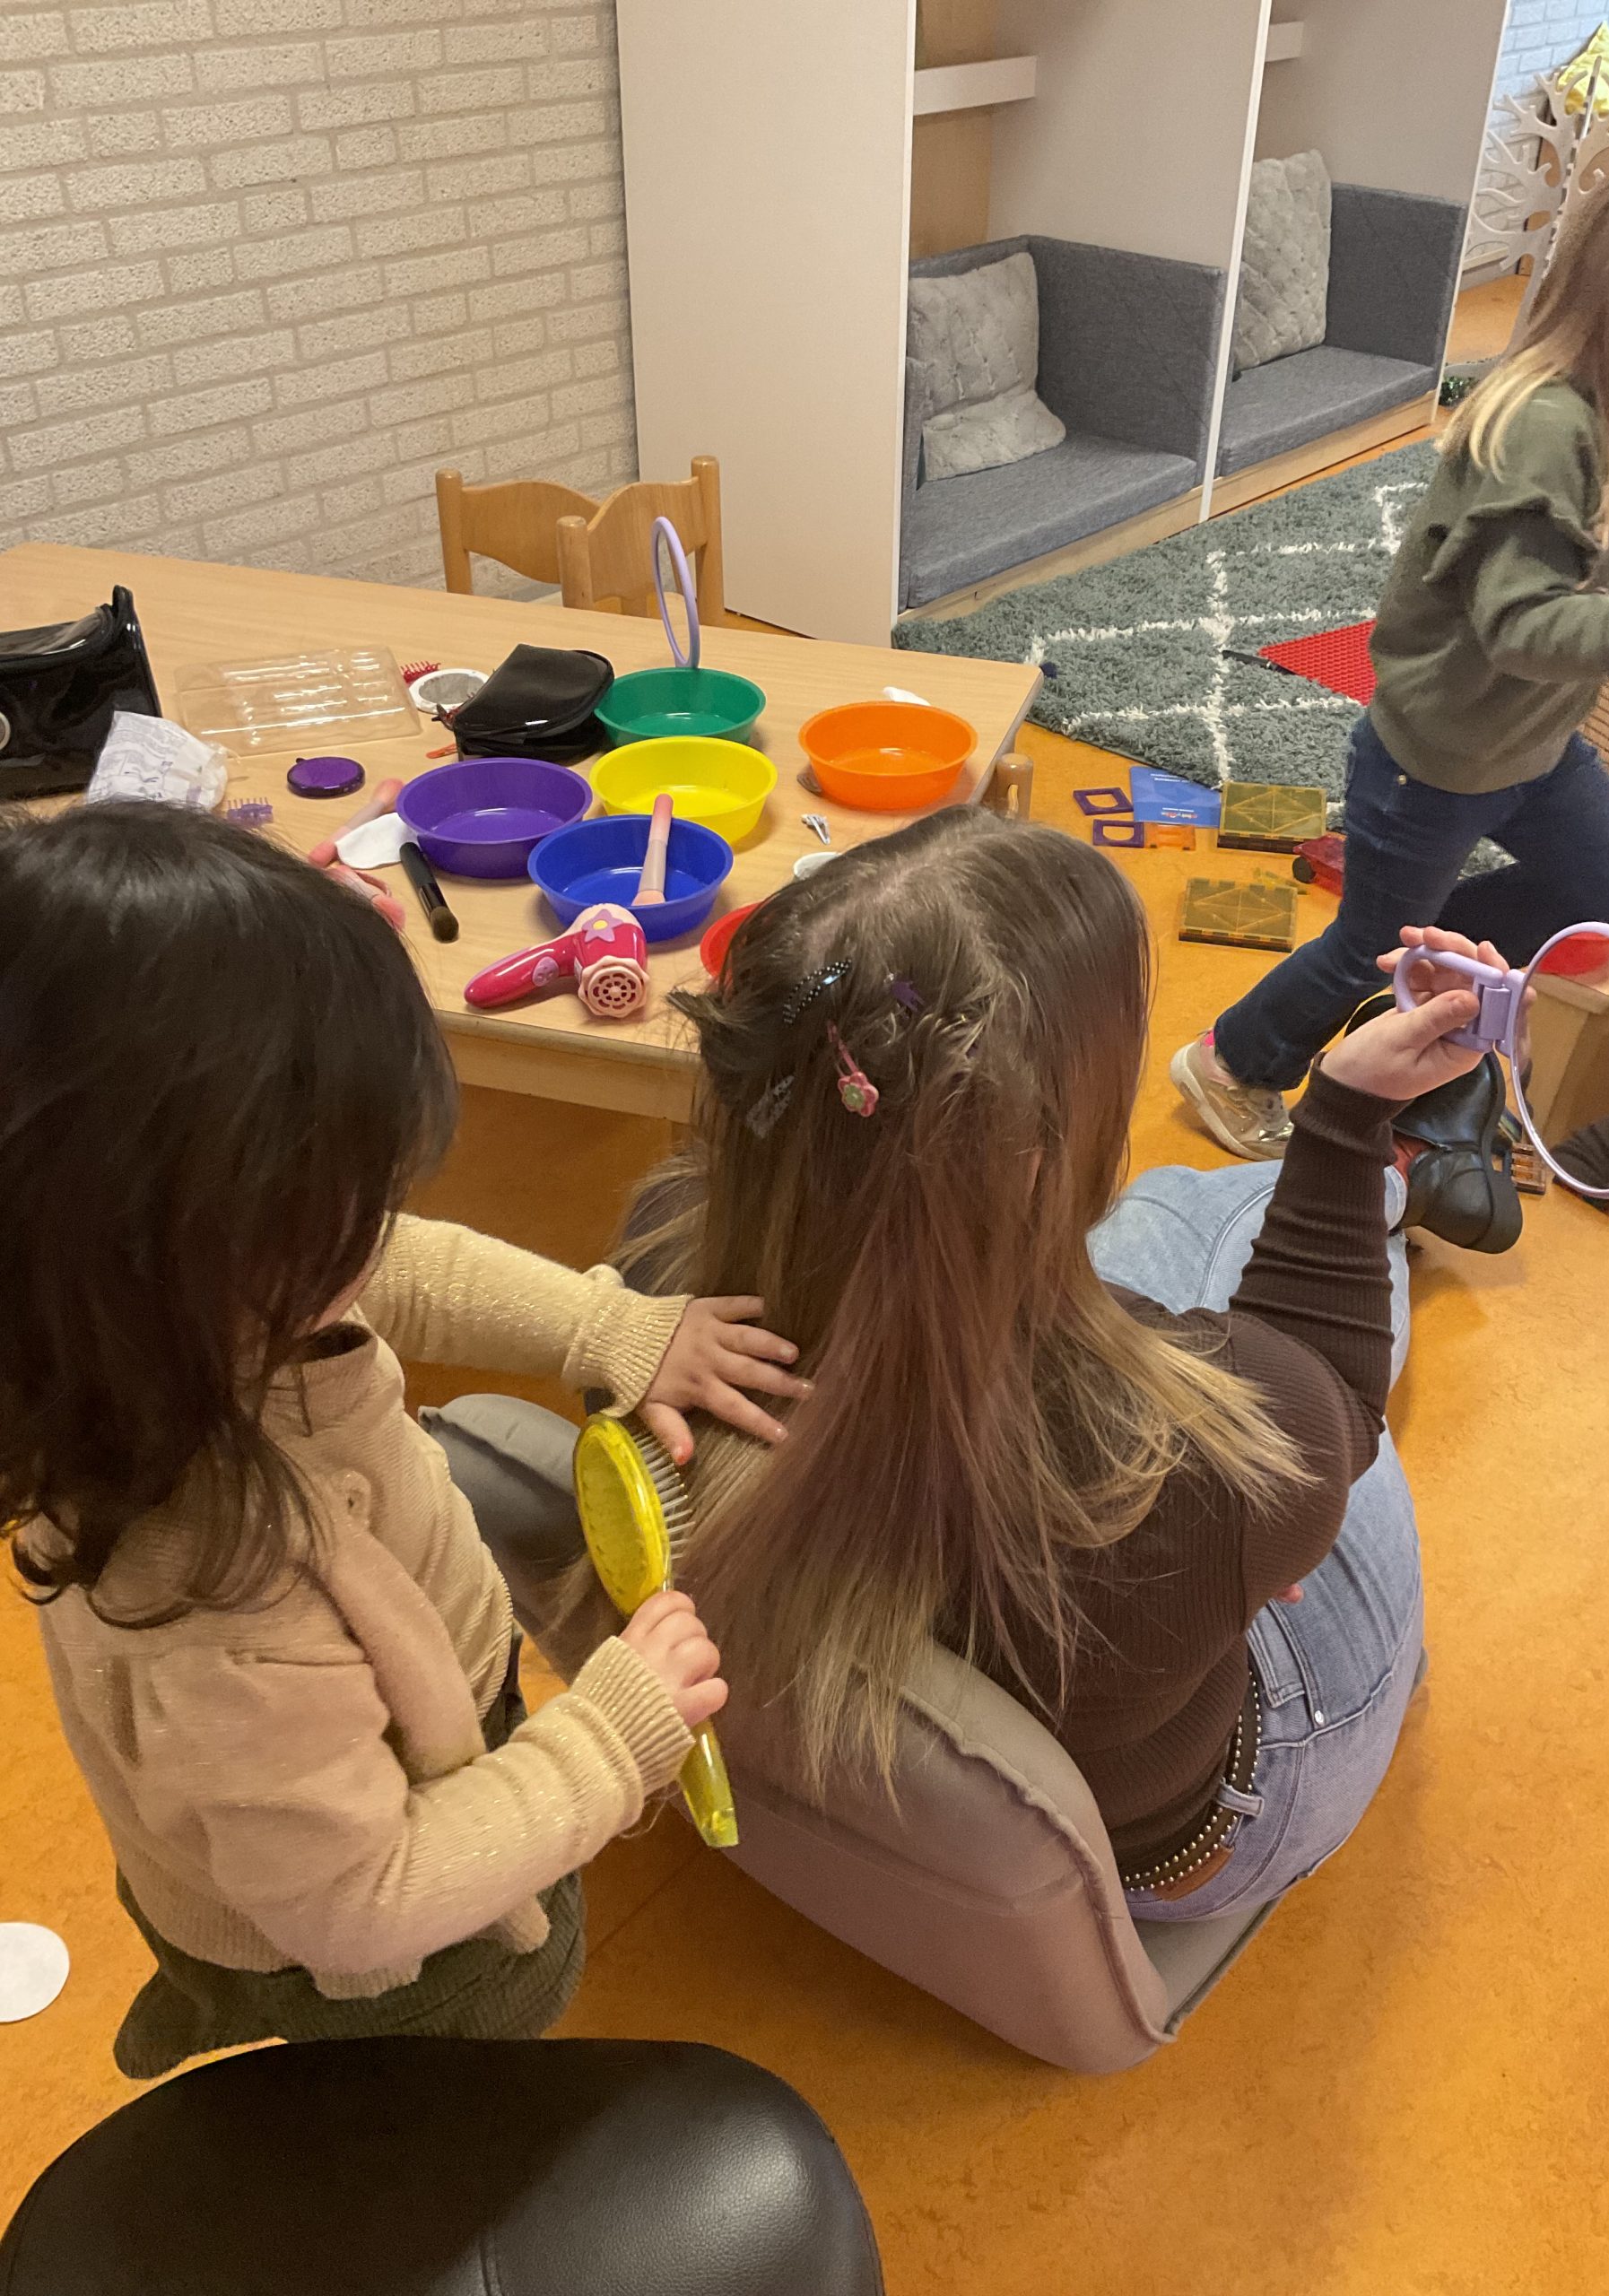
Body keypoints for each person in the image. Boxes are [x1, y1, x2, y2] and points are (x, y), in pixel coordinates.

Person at [483, 813, 1501, 1925]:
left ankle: (1378, 1200)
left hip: (1068, 1669)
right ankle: (1398, 1175)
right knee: (1260, 1262)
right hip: (1201, 1831)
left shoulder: (650, 1289)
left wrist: (1241, 1525)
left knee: (1183, 1216)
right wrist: (1347, 1119)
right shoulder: (1185, 1464)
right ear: (1031, 1168)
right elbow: (1337, 1402)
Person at [0, 804, 805, 2078]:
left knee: (239, 1873)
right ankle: (296, 2061)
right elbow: (364, 1901)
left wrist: (610, 1328)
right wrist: (610, 1737)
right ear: (186, 1257)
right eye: (348, 1207)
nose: (385, 1227)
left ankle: (208, 1984)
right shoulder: (221, 1609)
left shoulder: (179, 1326)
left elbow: (405, 1269)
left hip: (339, 1774)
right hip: (398, 1963)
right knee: (432, 2066)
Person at [1172, 116, 1609, 1164]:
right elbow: (1522, 628)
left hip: (1535, 745)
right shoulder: (1544, 427)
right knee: (1365, 951)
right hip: (1435, 758)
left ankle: (1426, 977)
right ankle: (1233, 1060)